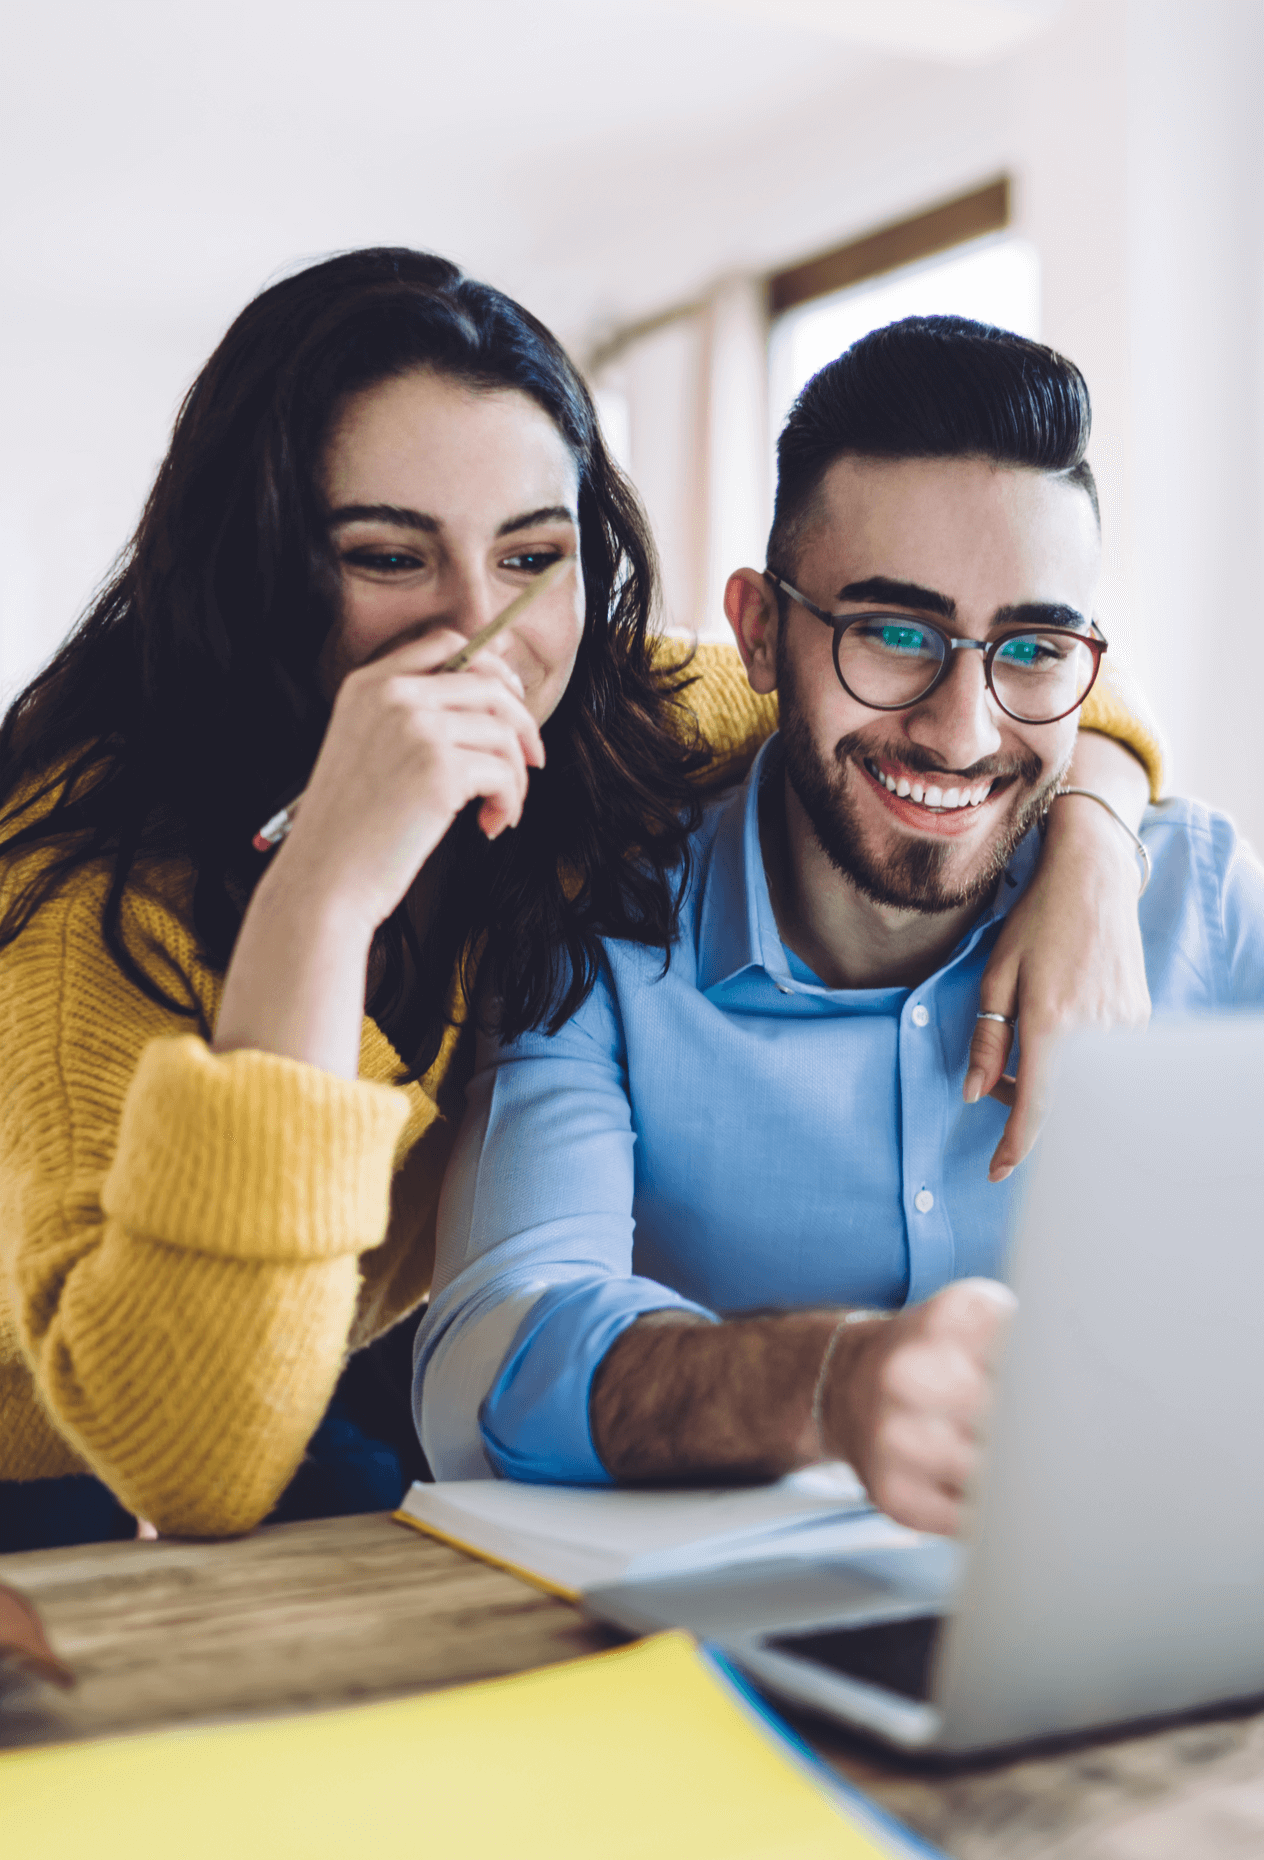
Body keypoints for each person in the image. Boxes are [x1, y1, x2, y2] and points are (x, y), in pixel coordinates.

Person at [0, 256, 1156, 1550]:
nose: (475, 632)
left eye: (530, 555)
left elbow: (978, 687)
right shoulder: (89, 887)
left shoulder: (603, 712)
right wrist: (324, 889)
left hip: (326, 1335)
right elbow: (189, 1461)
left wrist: (1096, 850)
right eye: (388, 555)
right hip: (77, 1438)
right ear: (259, 566)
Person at [414, 315, 1264, 1536]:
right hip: (706, 1667)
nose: (961, 729)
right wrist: (824, 1384)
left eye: (1029, 648)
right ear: (759, 633)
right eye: (894, 634)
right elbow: (485, 1361)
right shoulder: (600, 925)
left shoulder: (1197, 909)